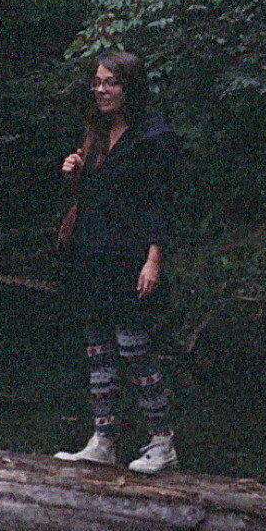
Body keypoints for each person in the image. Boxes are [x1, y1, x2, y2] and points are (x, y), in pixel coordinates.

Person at [51, 51, 179, 474]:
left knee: (134, 348)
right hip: (91, 254)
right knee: (98, 349)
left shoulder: (153, 134)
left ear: (130, 87)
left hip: (130, 258)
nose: (101, 90)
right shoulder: (98, 132)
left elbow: (162, 202)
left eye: (111, 83)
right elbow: (93, 194)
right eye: (98, 82)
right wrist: (74, 172)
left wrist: (154, 260)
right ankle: (104, 440)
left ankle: (162, 443)